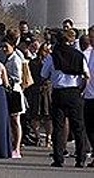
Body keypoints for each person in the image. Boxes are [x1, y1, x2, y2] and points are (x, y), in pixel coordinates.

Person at [42, 29, 89, 168]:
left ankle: (58, 158)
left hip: (59, 92)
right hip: (74, 92)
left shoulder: (53, 57)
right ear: (70, 41)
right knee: (78, 127)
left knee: (58, 127)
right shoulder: (79, 56)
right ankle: (80, 158)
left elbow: (43, 74)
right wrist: (81, 90)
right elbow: (86, 76)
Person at [4, 33, 26, 159]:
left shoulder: (16, 59)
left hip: (15, 92)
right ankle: (12, 144)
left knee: (16, 121)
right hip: (9, 92)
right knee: (11, 121)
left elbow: (18, 77)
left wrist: (7, 77)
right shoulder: (8, 58)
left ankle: (17, 147)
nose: (4, 49)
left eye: (7, 46)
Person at [28, 42, 53, 147]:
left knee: (37, 115)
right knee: (46, 115)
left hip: (37, 88)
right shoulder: (48, 62)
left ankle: (39, 137)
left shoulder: (33, 62)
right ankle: (47, 137)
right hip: (45, 88)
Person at [84, 26, 94, 167]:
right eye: (90, 37)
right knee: (89, 127)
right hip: (88, 95)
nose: (91, 40)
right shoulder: (88, 53)